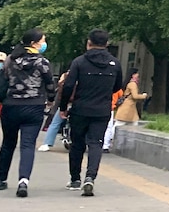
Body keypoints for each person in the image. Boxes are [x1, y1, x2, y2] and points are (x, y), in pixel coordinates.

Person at [60, 29, 123, 197]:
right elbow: (117, 86)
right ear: (107, 44)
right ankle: (90, 177)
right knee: (96, 143)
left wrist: (63, 107)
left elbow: (68, 85)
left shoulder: (79, 62)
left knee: (77, 143)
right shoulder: (115, 63)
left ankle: (75, 179)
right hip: (102, 110)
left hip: (80, 109)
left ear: (89, 42)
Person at [0, 28, 56, 197]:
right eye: (42, 40)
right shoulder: (42, 62)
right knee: (28, 144)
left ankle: (1, 179)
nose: (44, 43)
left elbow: (3, 80)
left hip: (11, 105)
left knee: (8, 142)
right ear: (34, 43)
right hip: (34, 106)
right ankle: (23, 181)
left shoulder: (10, 60)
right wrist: (50, 100)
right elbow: (50, 84)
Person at [37, 71, 69, 152]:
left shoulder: (66, 76)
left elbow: (60, 92)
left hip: (66, 104)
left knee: (55, 123)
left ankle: (47, 143)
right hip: (81, 105)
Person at [103, 87, 124, 152]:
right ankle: (105, 145)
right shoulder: (116, 87)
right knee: (108, 127)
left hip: (98, 107)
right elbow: (121, 95)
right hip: (110, 108)